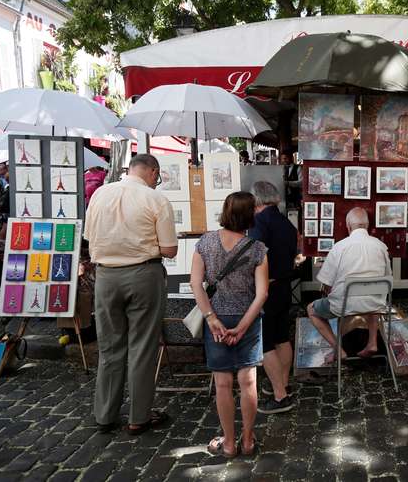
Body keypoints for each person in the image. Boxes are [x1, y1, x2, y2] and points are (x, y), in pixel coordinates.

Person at [84, 154, 178, 434]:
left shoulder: (100, 194)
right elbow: (170, 250)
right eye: (156, 176)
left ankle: (105, 415)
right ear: (152, 172)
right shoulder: (155, 199)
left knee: (110, 347)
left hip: (105, 276)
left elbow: (90, 237)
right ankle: (139, 416)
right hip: (142, 275)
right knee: (142, 346)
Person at [190, 192, 269, 457]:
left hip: (217, 320)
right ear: (250, 216)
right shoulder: (257, 249)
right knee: (248, 383)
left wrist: (211, 319)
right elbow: (262, 295)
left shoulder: (206, 242)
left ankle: (228, 444)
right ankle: (248, 441)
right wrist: (245, 325)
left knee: (222, 384)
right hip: (247, 319)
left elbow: (195, 284)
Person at [307, 208, 392, 362]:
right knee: (373, 298)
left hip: (344, 306)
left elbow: (326, 283)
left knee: (311, 310)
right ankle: (372, 342)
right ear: (367, 225)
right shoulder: (381, 246)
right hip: (375, 304)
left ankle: (339, 350)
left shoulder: (339, 247)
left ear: (348, 226)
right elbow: (387, 278)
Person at [249, 182, 298, 414]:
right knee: (281, 337)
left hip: (267, 287)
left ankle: (280, 396)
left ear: (256, 200)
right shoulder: (286, 222)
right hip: (284, 286)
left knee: (266, 341)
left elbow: (256, 253)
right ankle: (284, 384)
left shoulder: (260, 221)